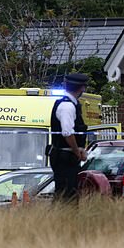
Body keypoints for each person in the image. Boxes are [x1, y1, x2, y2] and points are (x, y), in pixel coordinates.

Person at [49, 73, 89, 202]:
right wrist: (77, 152)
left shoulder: (72, 104)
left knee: (69, 193)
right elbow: (67, 133)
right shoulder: (67, 106)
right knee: (66, 195)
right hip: (65, 157)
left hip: (66, 156)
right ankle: (62, 219)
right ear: (82, 88)